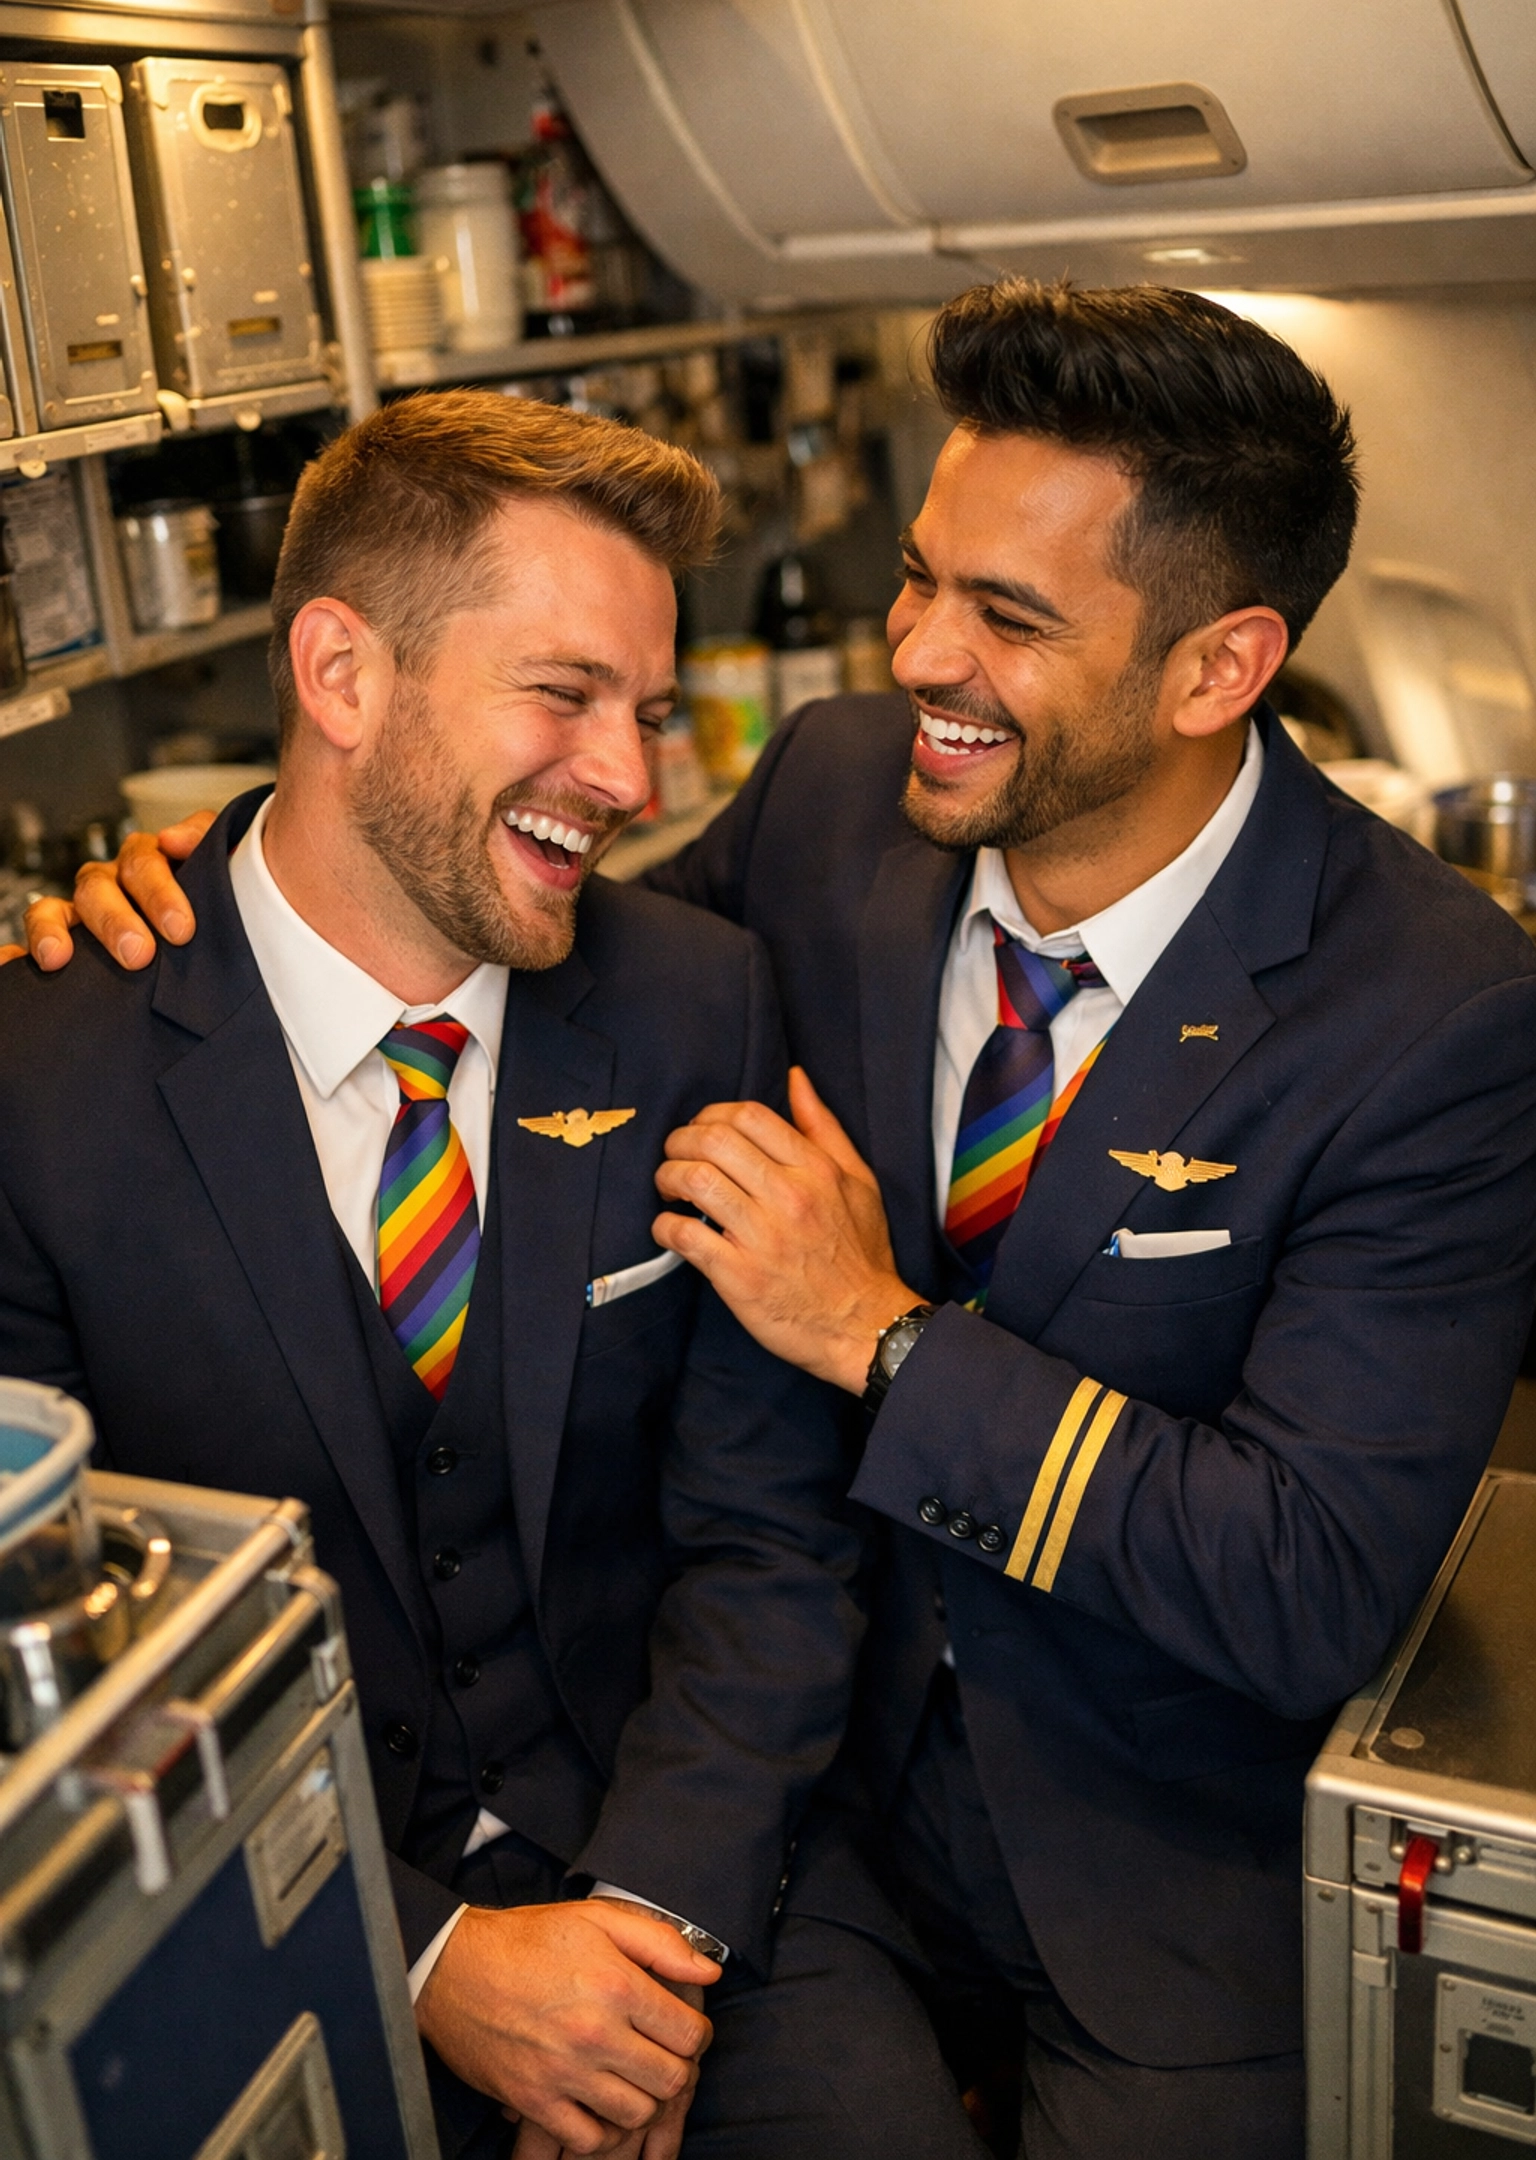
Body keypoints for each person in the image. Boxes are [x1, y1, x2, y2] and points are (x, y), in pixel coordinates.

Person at [40, 282, 1536, 2157]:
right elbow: (513, 923)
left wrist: (881, 1338)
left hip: (1142, 1864)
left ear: (1217, 669)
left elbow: (1305, 1580)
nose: (918, 652)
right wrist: (196, 901)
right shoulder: (842, 794)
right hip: (811, 1791)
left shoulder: (1434, 1013)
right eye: (920, 578)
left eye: (1008, 618)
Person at [0, 392, 978, 2160]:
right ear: (342, 673)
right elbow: (43, 1667)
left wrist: (646, 1937)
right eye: (563, 695)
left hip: (688, 1865)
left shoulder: (696, 1002)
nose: (631, 781)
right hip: (275, 1893)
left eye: (648, 714)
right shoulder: (39, 1077)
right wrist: (429, 1951)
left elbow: (767, 1540)